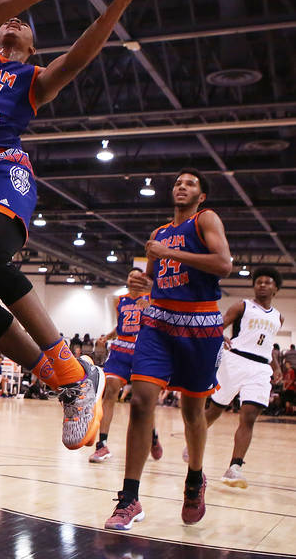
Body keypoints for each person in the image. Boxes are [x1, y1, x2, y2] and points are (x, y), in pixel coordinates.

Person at [0, 0, 162, 448]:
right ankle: (71, 381)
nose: (12, 23)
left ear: (33, 51)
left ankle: (66, 363)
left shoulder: (31, 80)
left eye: (25, 25)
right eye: (5, 23)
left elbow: (80, 56)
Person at [104, 169, 232, 530]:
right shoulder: (158, 234)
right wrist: (137, 283)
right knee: (142, 401)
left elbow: (224, 265)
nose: (182, 187)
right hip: (158, 322)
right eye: (178, 183)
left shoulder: (205, 220)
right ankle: (129, 498)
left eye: (190, 184)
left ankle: (195, 478)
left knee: (194, 412)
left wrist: (170, 253)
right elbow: (152, 280)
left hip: (200, 327)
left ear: (201, 196)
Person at [202, 266, 284, 489]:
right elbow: (219, 326)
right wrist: (219, 336)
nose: (263, 285)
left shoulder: (278, 317)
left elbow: (267, 344)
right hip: (235, 361)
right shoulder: (242, 306)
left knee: (249, 417)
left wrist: (276, 366)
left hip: (260, 368)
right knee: (215, 411)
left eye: (268, 282)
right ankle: (194, 441)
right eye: (259, 282)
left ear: (276, 288)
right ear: (254, 286)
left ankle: (234, 467)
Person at [89, 269, 162, 464]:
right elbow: (121, 325)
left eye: (138, 275)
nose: (134, 278)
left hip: (142, 350)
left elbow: (160, 322)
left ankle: (152, 435)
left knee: (143, 400)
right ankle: (102, 445)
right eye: (130, 275)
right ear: (127, 279)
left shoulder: (152, 298)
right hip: (120, 348)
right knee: (110, 391)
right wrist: (108, 336)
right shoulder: (119, 300)